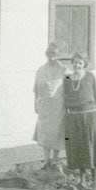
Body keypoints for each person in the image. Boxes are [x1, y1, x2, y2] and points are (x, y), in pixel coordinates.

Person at [61, 51, 96, 190]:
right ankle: (82, 181)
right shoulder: (67, 78)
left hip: (89, 116)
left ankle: (95, 182)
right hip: (73, 117)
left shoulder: (90, 77)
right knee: (78, 148)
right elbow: (63, 99)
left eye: (80, 63)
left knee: (91, 148)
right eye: (75, 62)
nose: (77, 65)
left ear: (84, 64)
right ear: (72, 63)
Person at [33, 41, 68, 171]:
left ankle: (56, 159)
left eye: (55, 54)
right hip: (44, 104)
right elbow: (36, 88)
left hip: (58, 105)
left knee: (57, 131)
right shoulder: (41, 70)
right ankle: (46, 159)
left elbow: (69, 87)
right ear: (46, 54)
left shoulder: (64, 70)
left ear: (59, 55)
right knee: (45, 131)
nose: (52, 57)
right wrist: (35, 104)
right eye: (50, 54)